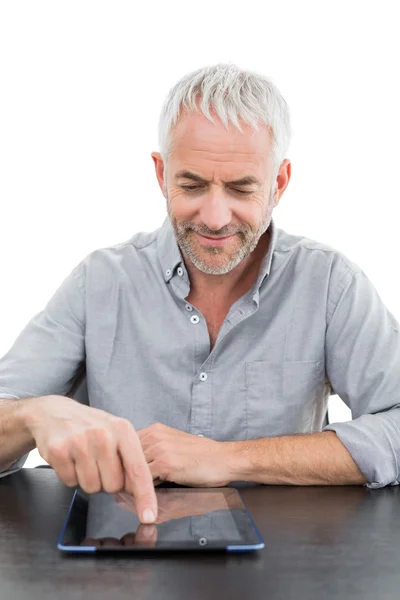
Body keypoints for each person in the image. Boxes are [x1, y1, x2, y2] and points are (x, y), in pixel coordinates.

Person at [1, 63, 399, 526]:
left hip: (284, 569)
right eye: (191, 185)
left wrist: (228, 459)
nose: (213, 217)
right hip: (122, 565)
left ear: (279, 183)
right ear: (161, 173)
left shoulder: (330, 284)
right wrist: (32, 416)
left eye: (240, 188)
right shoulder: (101, 282)